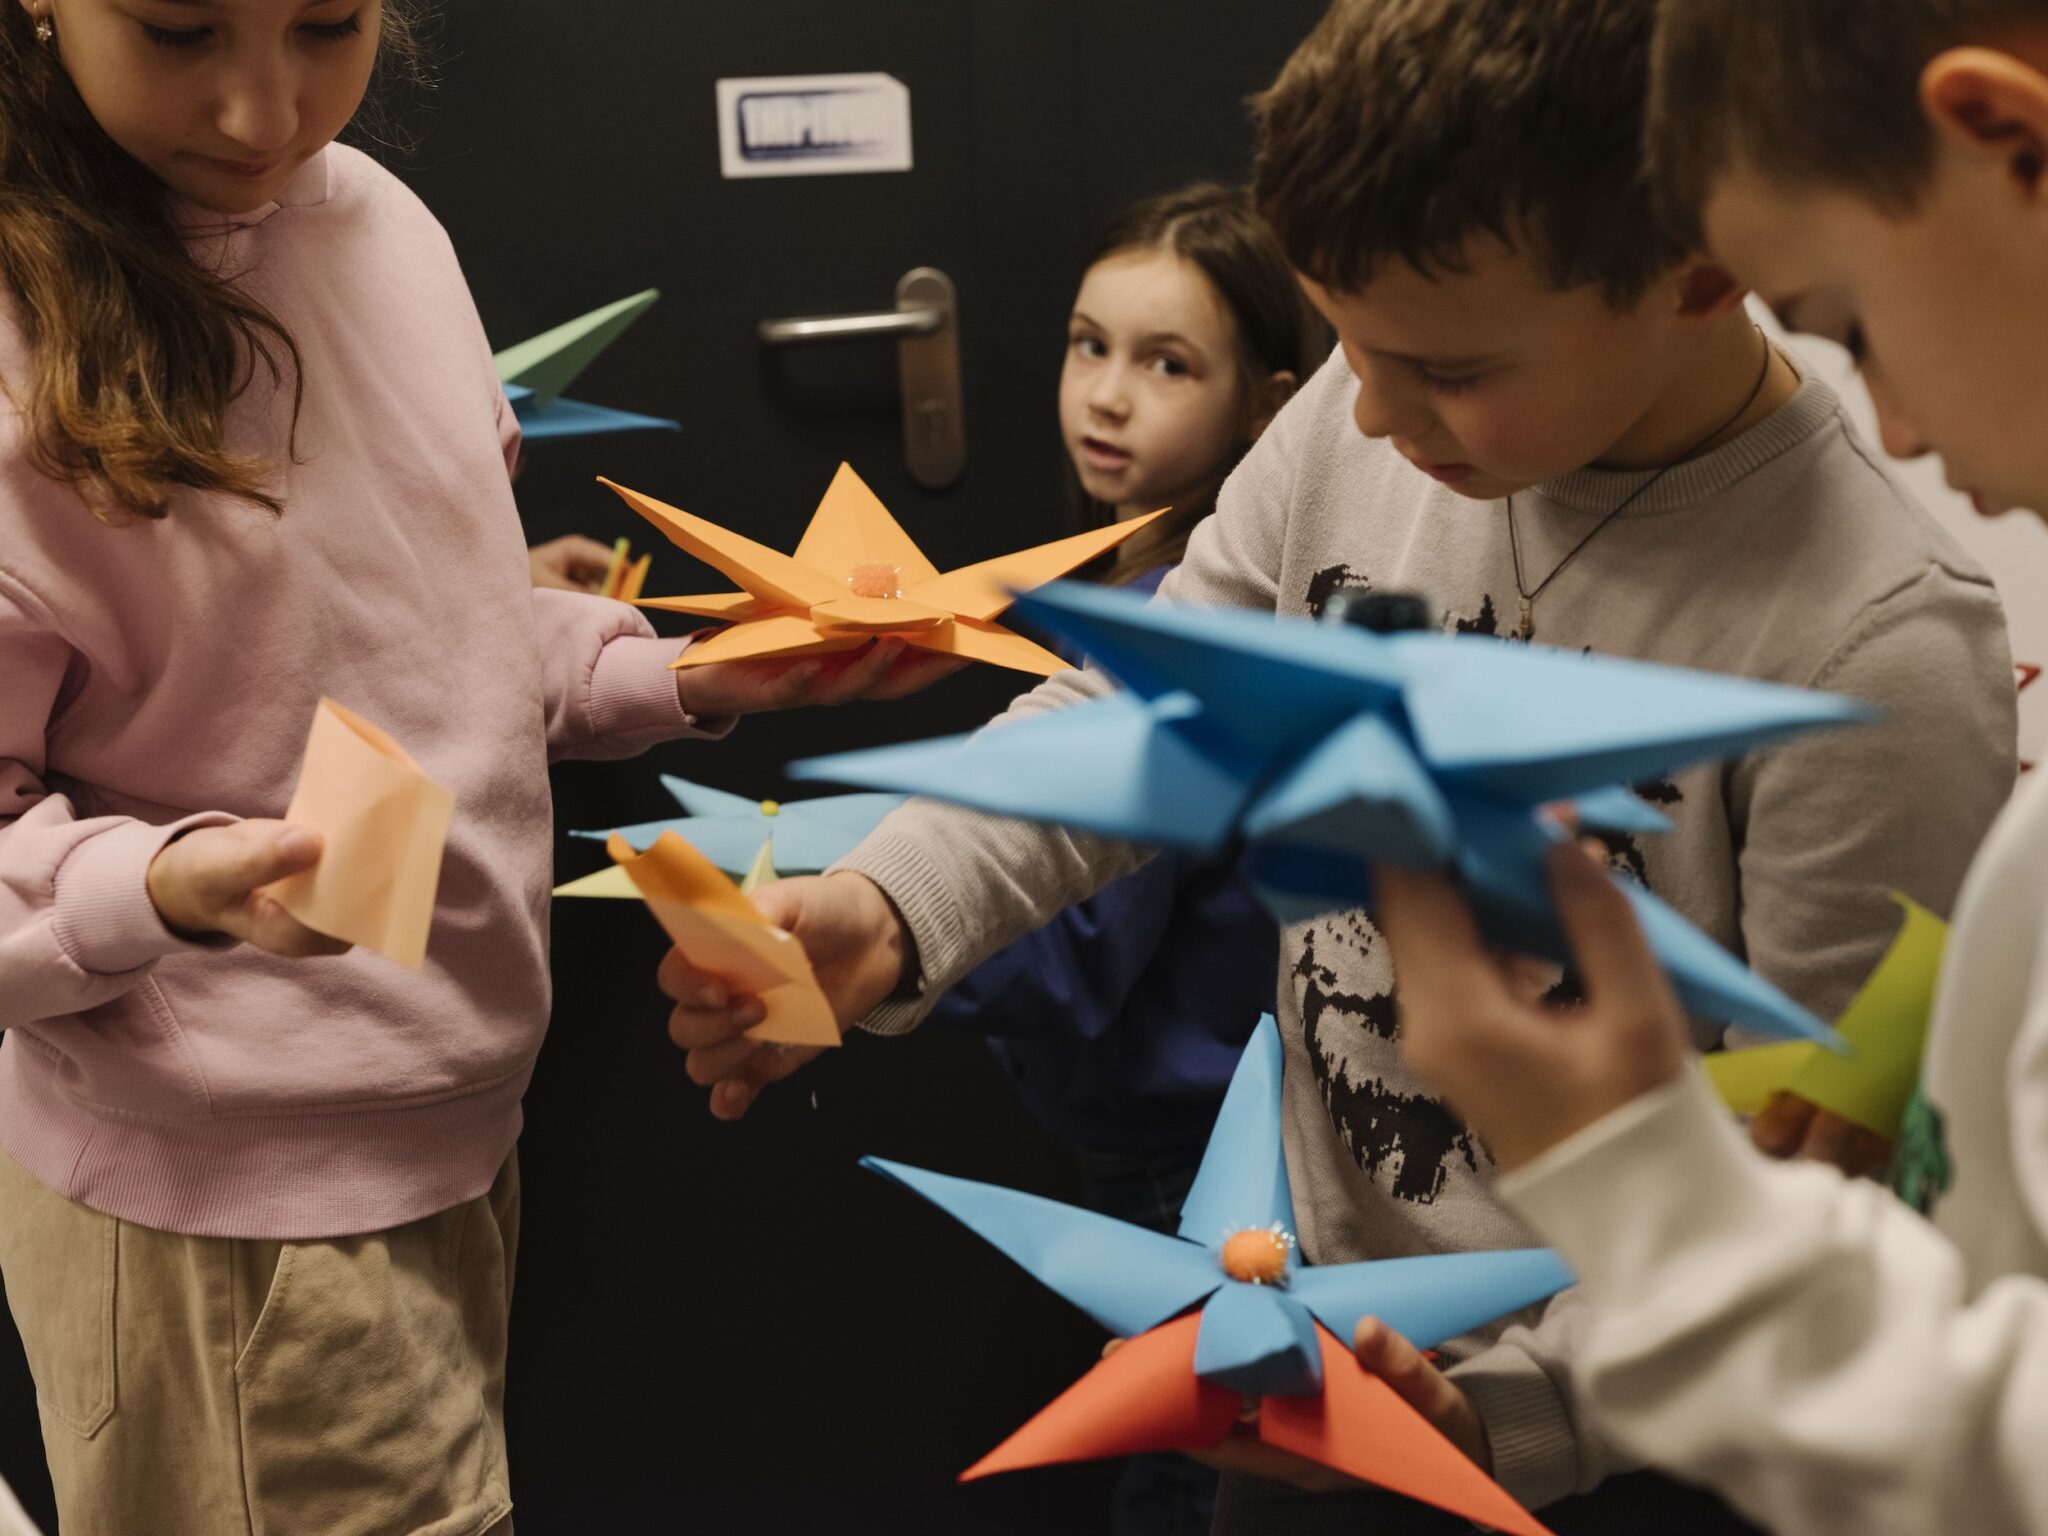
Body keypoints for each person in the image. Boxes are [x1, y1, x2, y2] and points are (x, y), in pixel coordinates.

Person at [658, 0, 2019, 1528]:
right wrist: (893, 903)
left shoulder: (1879, 652)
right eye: (1346, 347)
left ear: (1699, 271)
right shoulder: (1370, 410)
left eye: (1444, 366)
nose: (1368, 411)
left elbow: (1818, 1183)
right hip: (1309, 1349)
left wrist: (1513, 1417)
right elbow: (1151, 713)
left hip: (1635, 1455)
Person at [0, 4, 945, 1531]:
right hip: (227, 1206)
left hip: (446, 1135)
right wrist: (164, 889)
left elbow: (438, 625)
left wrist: (680, 673)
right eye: (179, 31)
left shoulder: (384, 228)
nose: (262, 113)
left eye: (327, 23)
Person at [1365, 3, 2048, 1533]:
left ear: (2014, 147)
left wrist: (1636, 1174)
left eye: (1848, 321)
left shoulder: (1882, 630)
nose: (1895, 427)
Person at [925, 181, 1312, 1536]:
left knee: (1195, 1468)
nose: (1106, 394)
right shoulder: (1122, 587)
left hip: (1190, 1153)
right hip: (1162, 1133)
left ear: (1270, 407)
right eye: (1089, 345)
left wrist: (876, 904)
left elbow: (1064, 958)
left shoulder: (1179, 630)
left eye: (1168, 365)